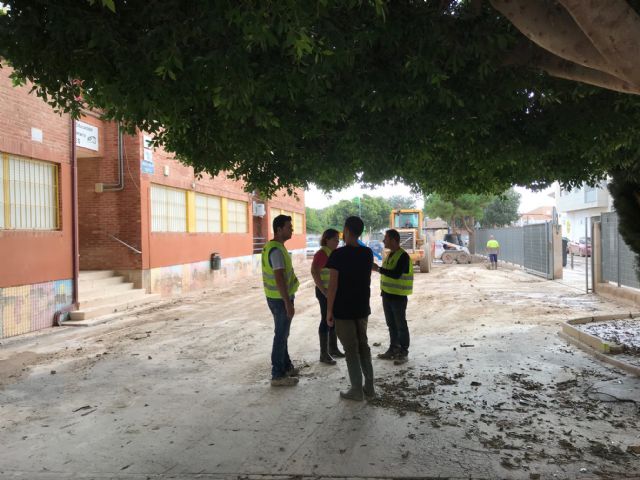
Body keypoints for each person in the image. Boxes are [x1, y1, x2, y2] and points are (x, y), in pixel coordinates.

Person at [326, 216, 375, 401]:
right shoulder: (367, 253)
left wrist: (329, 311)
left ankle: (356, 389)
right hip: (362, 307)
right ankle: (369, 387)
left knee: (351, 349)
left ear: (346, 230)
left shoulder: (337, 255)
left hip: (343, 310)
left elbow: (333, 285)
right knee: (363, 346)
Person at [262, 215, 300, 387]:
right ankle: (277, 374)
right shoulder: (276, 250)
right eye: (288, 227)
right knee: (281, 335)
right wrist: (287, 302)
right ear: (279, 229)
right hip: (280, 299)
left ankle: (286, 366)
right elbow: (279, 278)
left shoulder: (274, 247)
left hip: (275, 297)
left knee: (283, 334)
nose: (291, 229)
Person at [372, 229, 413, 365]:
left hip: (398, 296)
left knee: (400, 324)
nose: (384, 241)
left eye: (386, 238)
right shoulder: (390, 254)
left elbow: (395, 274)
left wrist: (378, 269)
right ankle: (394, 349)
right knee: (391, 325)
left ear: (394, 240)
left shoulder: (403, 256)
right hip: (387, 294)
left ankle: (403, 351)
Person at [310, 228, 345, 365]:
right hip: (324, 292)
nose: (337, 241)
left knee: (333, 318)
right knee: (326, 319)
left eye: (338, 239)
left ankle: (333, 348)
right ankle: (324, 354)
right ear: (327, 239)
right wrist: (324, 291)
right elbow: (314, 272)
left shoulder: (332, 252)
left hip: (331, 292)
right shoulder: (322, 253)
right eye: (335, 239)